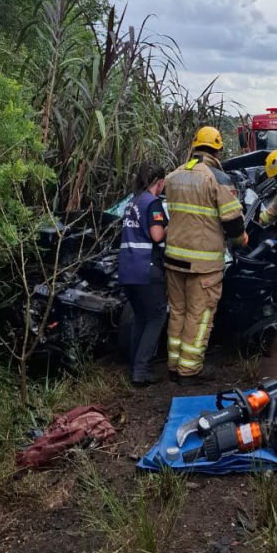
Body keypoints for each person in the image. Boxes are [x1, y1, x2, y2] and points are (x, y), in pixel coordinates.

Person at [164, 126, 247, 381]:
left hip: (174, 260)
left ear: (194, 146)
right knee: (199, 316)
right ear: (218, 150)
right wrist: (239, 239)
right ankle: (189, 370)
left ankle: (174, 365)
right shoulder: (217, 178)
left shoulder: (174, 175)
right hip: (203, 264)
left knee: (178, 312)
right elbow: (233, 220)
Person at [118, 163, 169, 387]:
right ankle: (141, 371)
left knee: (141, 318)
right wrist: (174, 221)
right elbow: (157, 235)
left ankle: (134, 366)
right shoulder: (153, 202)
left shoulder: (132, 202)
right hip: (146, 268)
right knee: (157, 316)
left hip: (128, 269)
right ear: (158, 182)